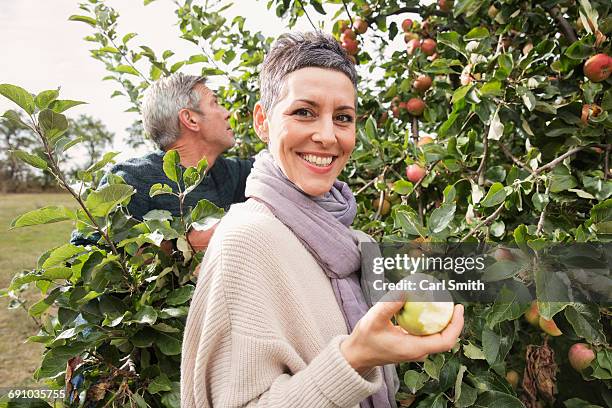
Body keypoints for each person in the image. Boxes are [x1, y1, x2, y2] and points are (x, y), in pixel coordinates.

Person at [180, 32, 464, 408]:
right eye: (304, 112)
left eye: (343, 118)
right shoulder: (247, 240)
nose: (327, 136)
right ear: (263, 122)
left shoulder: (352, 240)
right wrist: (355, 358)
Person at [71, 73, 253, 250]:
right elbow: (81, 261)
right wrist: (179, 249)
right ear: (190, 119)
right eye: (215, 103)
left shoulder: (227, 173)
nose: (227, 113)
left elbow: (276, 162)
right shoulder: (130, 181)